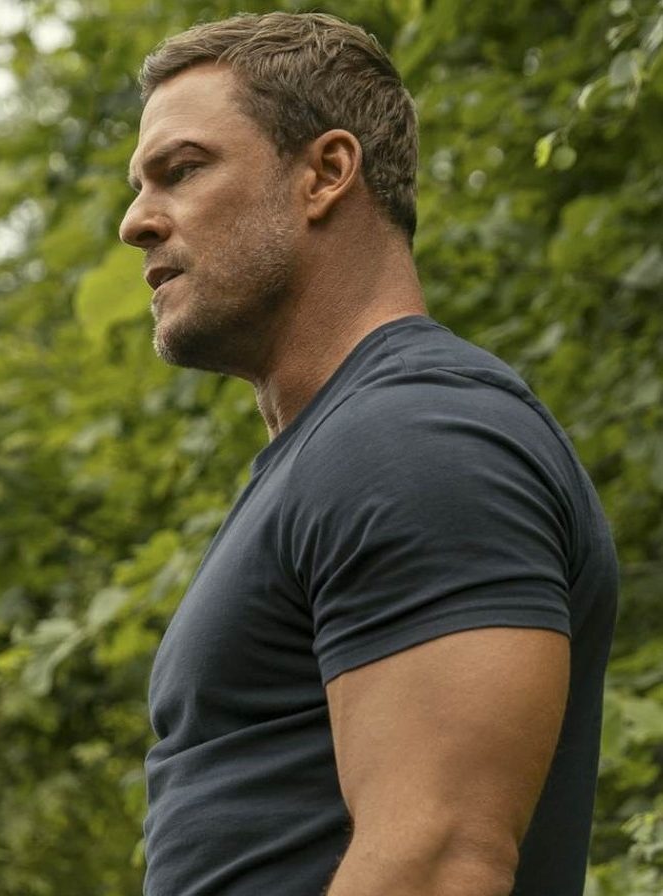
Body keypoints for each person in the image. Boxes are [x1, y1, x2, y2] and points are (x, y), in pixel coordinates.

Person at [119, 12, 616, 896]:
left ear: (326, 173)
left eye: (182, 170)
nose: (135, 223)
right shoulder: (346, 447)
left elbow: (440, 861)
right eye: (139, 185)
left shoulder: (416, 438)